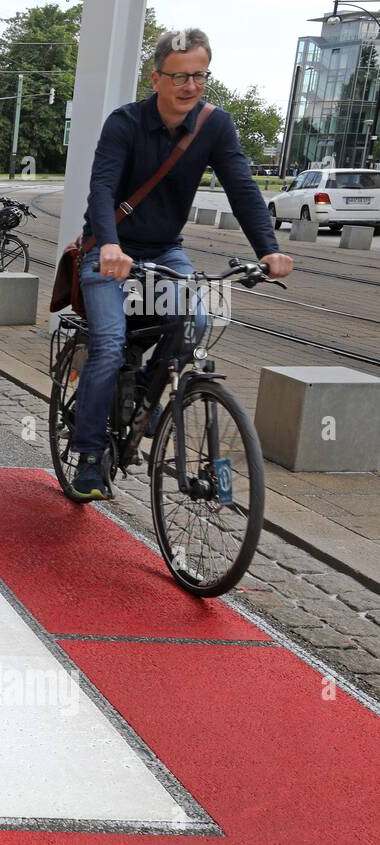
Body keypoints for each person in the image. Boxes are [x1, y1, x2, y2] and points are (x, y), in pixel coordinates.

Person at [69, 28, 293, 500]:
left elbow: (242, 188)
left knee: (198, 316)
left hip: (164, 250)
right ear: (156, 78)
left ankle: (143, 397)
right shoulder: (124, 123)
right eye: (180, 76)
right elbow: (102, 188)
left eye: (199, 75)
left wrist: (267, 249)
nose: (191, 85)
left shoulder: (215, 125)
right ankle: (88, 456)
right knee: (109, 343)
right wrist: (108, 245)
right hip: (109, 251)